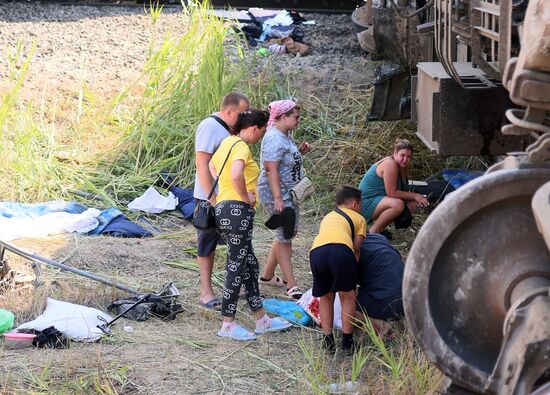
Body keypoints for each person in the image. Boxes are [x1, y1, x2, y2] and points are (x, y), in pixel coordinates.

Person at [210, 109, 292, 341]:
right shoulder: (241, 147)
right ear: (254, 128)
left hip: (224, 209)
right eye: (262, 131)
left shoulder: (227, 142)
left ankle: (261, 319)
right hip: (238, 210)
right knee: (236, 265)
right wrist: (246, 196)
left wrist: (218, 197)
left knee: (249, 264)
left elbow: (211, 168)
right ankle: (228, 323)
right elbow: (236, 174)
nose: (261, 137)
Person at [193, 92, 250, 310]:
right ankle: (206, 292)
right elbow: (202, 162)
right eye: (242, 113)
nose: (245, 117)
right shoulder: (209, 126)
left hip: (229, 196)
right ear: (228, 111)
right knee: (207, 242)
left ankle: (235, 285)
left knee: (235, 241)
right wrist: (213, 198)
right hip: (211, 197)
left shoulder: (232, 130)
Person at [257, 99, 311, 300]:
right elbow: (271, 169)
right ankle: (292, 285)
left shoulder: (285, 135)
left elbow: (285, 159)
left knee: (286, 233)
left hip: (290, 191)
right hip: (276, 192)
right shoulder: (273, 138)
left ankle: (267, 276)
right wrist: (278, 197)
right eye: (295, 117)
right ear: (282, 117)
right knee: (285, 236)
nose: (298, 120)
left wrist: (300, 151)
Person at [309, 186, 367, 352]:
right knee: (347, 297)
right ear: (355, 204)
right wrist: (354, 279)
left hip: (317, 252)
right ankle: (348, 343)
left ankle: (328, 341)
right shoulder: (359, 218)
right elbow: (356, 249)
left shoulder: (328, 216)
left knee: (326, 297)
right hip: (341, 251)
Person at [358, 138, 429, 238]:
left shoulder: (402, 166)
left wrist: (416, 198)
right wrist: (415, 195)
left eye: (409, 157)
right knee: (397, 204)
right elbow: (392, 193)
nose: (405, 159)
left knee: (413, 203)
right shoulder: (390, 164)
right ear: (395, 152)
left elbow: (403, 190)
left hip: (379, 200)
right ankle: (373, 231)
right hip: (364, 203)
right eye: (402, 155)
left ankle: (381, 228)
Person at [356, 233, 404, 321]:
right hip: (409, 298)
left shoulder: (350, 251)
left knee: (345, 301)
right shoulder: (379, 237)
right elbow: (399, 257)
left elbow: (347, 291)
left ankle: (378, 324)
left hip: (387, 305)